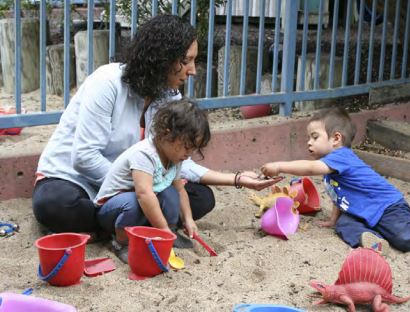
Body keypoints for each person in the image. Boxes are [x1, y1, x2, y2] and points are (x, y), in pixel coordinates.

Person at [32, 14, 281, 236]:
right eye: (186, 60)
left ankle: (120, 221)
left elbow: (178, 162)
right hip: (76, 180)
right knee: (53, 205)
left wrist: (237, 179)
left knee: (202, 198)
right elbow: (84, 158)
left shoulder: (169, 96)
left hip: (136, 186)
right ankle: (128, 219)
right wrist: (144, 187)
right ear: (161, 59)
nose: (193, 70)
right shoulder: (107, 83)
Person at [260, 107, 410, 254]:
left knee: (404, 240)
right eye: (308, 137)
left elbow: (310, 168)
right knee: (343, 225)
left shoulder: (342, 156)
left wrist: (279, 166)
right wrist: (332, 220)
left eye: (315, 137)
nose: (309, 142)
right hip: (363, 213)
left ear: (336, 139)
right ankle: (373, 241)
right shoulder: (331, 167)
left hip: (388, 208)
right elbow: (339, 197)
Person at [96, 99, 210, 262]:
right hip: (111, 211)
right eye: (187, 146)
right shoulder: (144, 154)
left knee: (171, 192)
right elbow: (143, 194)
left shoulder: (174, 158)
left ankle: (170, 232)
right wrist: (162, 228)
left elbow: (180, 190)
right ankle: (121, 242)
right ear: (167, 134)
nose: (189, 153)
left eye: (193, 148)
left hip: (138, 207)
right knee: (135, 201)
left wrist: (188, 219)